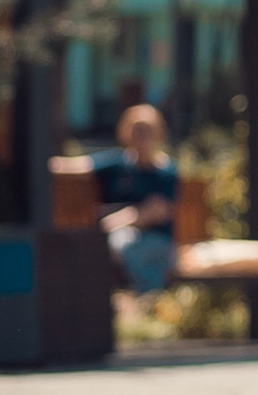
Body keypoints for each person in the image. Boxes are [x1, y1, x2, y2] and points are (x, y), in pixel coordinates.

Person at [56, 104, 180, 294]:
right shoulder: (117, 163)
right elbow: (75, 167)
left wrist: (112, 223)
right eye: (137, 129)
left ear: (159, 133)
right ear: (126, 132)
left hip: (156, 241)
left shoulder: (165, 172)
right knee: (111, 245)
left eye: (148, 129)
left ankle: (147, 297)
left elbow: (155, 211)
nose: (142, 135)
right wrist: (35, 163)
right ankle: (143, 300)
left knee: (122, 243)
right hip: (117, 239)